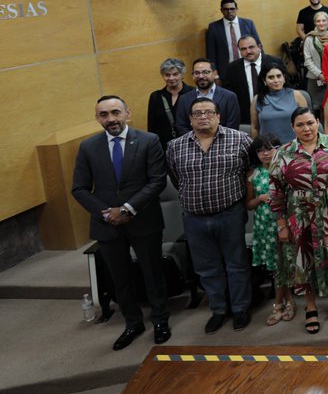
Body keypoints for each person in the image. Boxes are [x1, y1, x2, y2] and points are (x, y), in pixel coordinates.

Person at [72, 95, 170, 349]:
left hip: (143, 219)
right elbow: (79, 188)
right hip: (107, 224)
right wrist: (106, 212)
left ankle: (160, 320)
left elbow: (157, 181)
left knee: (152, 273)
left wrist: (126, 209)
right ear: (97, 118)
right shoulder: (88, 147)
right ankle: (133, 323)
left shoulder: (149, 141)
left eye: (115, 112)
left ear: (128, 113)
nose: (111, 119)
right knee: (120, 277)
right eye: (104, 115)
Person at [166, 97, 254, 333]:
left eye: (208, 112)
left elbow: (250, 171)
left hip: (230, 213)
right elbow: (177, 178)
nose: (202, 117)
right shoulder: (176, 146)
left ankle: (240, 308)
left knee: (236, 264)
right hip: (194, 218)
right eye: (197, 114)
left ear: (218, 116)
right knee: (207, 268)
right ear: (190, 119)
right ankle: (218, 309)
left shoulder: (240, 140)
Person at [271, 107, 328, 332]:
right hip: (300, 215)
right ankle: (310, 307)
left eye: (310, 123)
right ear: (292, 127)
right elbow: (277, 191)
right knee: (305, 257)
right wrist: (281, 224)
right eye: (300, 125)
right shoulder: (284, 152)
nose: (306, 128)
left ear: (318, 121)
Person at [246, 133, 294, 326]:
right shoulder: (252, 174)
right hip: (264, 227)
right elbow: (248, 204)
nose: (265, 154)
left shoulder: (286, 169)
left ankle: (283, 303)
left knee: (286, 264)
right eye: (260, 150)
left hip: (284, 223)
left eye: (269, 149)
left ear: (278, 148)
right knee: (276, 267)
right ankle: (283, 302)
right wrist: (260, 198)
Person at [221, 35, 283, 126]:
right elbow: (229, 95)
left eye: (251, 47)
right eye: (243, 49)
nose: (248, 51)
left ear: (259, 47)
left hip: (275, 113)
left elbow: (285, 87)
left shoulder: (275, 62)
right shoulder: (232, 68)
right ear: (240, 51)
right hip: (246, 118)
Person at [174, 59, 240, 136]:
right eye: (197, 73)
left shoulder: (229, 96)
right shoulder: (184, 99)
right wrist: (198, 140)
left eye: (205, 72)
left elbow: (232, 126)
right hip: (192, 145)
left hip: (223, 144)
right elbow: (181, 126)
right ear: (192, 75)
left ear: (215, 73)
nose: (201, 76)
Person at [205, 0, 261, 74]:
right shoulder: (214, 27)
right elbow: (211, 53)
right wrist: (215, 75)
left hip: (248, 67)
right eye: (226, 9)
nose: (229, 11)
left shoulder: (248, 23)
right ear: (221, 10)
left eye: (232, 9)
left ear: (236, 9)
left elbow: (258, 46)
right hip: (225, 70)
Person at [251, 65, 305, 142]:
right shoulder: (257, 99)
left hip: (294, 147)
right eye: (271, 77)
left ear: (284, 78)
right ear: (264, 80)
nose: (276, 80)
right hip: (268, 149)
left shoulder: (297, 95)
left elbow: (306, 122)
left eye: (279, 76)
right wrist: (256, 149)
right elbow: (254, 127)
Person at [147, 57, 190, 151]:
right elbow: (152, 127)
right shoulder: (155, 96)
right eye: (167, 75)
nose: (171, 78)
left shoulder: (193, 93)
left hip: (189, 146)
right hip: (164, 148)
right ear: (162, 75)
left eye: (175, 74)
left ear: (182, 74)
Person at [303, 12, 328, 101]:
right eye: (318, 21)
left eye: (324, 20)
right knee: (315, 106)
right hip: (314, 78)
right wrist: (320, 74)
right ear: (315, 23)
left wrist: (327, 75)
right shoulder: (309, 38)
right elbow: (307, 61)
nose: (321, 23)